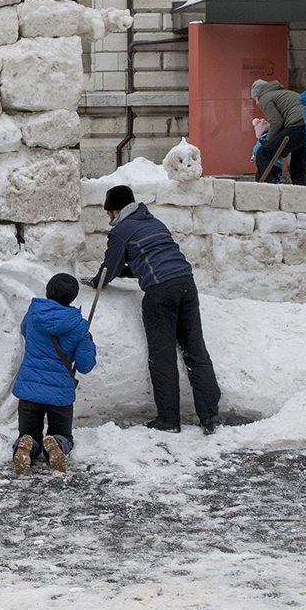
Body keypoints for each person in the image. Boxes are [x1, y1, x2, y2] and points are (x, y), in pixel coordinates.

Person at [88, 186, 223, 435]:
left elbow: (111, 267)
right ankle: (210, 416)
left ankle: (169, 420)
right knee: (195, 349)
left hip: (160, 293)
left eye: (108, 212)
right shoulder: (154, 222)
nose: (109, 218)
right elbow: (150, 257)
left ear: (114, 210)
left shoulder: (122, 231)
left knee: (162, 355)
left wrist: (95, 283)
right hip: (186, 284)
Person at [10, 273, 97, 475]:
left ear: (48, 291)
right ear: (73, 297)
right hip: (60, 395)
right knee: (64, 436)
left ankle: (26, 446)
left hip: (29, 390)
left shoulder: (32, 315)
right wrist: (87, 340)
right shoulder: (79, 326)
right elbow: (85, 365)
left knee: (29, 434)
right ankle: (57, 443)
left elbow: (24, 331)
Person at [250, 78, 306, 184]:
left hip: (296, 126)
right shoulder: (284, 93)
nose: (257, 104)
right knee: (297, 167)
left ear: (258, 95)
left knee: (264, 152)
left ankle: (267, 189)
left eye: (255, 100)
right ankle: (304, 195)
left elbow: (276, 122)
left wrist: (267, 141)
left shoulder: (265, 98)